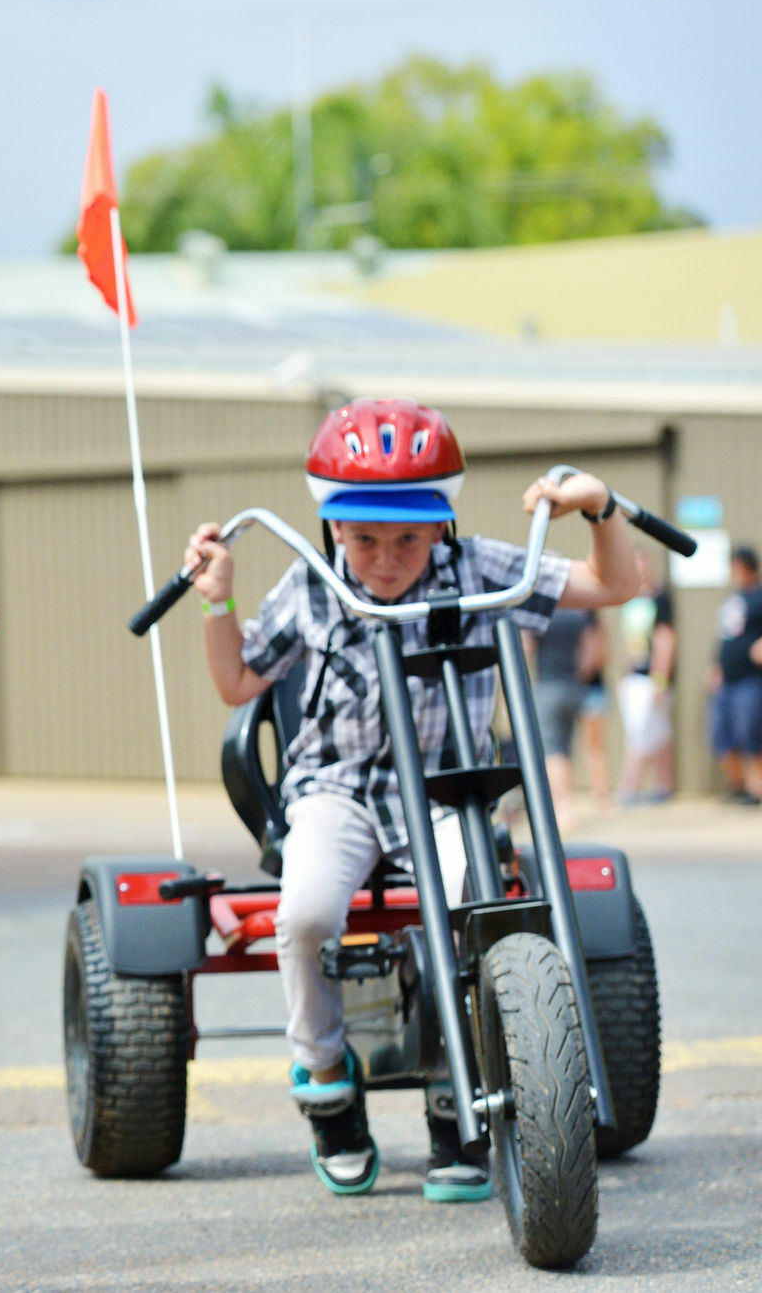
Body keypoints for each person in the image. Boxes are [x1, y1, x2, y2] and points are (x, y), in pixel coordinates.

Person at [184, 399, 639, 1202]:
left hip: (447, 788)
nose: (386, 559)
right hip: (339, 791)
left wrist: (597, 508)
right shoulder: (313, 584)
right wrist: (218, 596)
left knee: (475, 912)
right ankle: (326, 1074)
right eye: (364, 538)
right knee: (306, 915)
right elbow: (237, 680)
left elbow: (615, 583)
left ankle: (452, 1092)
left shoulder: (480, 571)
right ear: (330, 527)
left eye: (407, 538)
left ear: (442, 526)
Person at [527, 607, 611, 831]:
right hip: (575, 687)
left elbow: (525, 648)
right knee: (572, 747)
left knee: (554, 750)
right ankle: (598, 799)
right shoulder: (582, 613)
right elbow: (594, 653)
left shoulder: (540, 611)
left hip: (548, 686)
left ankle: (563, 806)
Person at [616, 549, 676, 804]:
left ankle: (629, 788)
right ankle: (664, 785)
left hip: (650, 678)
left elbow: (665, 640)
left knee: (642, 734)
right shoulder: (630, 599)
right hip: (634, 674)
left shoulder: (659, 598)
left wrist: (660, 678)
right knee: (659, 733)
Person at [708, 545, 762, 805]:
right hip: (727, 678)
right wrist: (715, 666)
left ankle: (756, 788)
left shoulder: (760, 596)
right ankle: (737, 785)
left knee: (750, 732)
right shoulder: (733, 598)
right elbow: (725, 635)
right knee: (722, 733)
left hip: (751, 678)